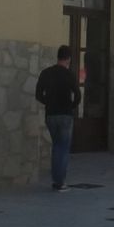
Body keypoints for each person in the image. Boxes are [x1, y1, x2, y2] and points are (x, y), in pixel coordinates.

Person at [35, 45, 82, 192]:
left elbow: (38, 94)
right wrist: (71, 106)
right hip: (65, 115)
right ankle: (60, 181)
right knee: (63, 148)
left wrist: (48, 103)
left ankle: (56, 180)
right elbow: (78, 95)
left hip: (51, 115)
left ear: (58, 57)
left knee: (56, 146)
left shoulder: (46, 73)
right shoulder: (69, 75)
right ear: (68, 59)